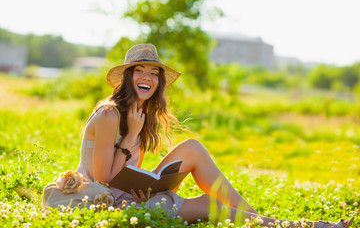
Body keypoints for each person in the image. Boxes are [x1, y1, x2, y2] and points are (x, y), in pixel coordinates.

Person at [75, 44, 354, 228]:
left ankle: (258, 218)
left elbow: (127, 172)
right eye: (139, 70)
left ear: (159, 82)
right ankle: (289, 225)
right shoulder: (110, 114)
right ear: (127, 77)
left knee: (192, 148)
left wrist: (147, 176)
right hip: (103, 201)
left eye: (154, 72)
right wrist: (129, 137)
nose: (147, 77)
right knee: (209, 204)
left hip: (126, 193)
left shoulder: (140, 115)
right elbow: (103, 181)